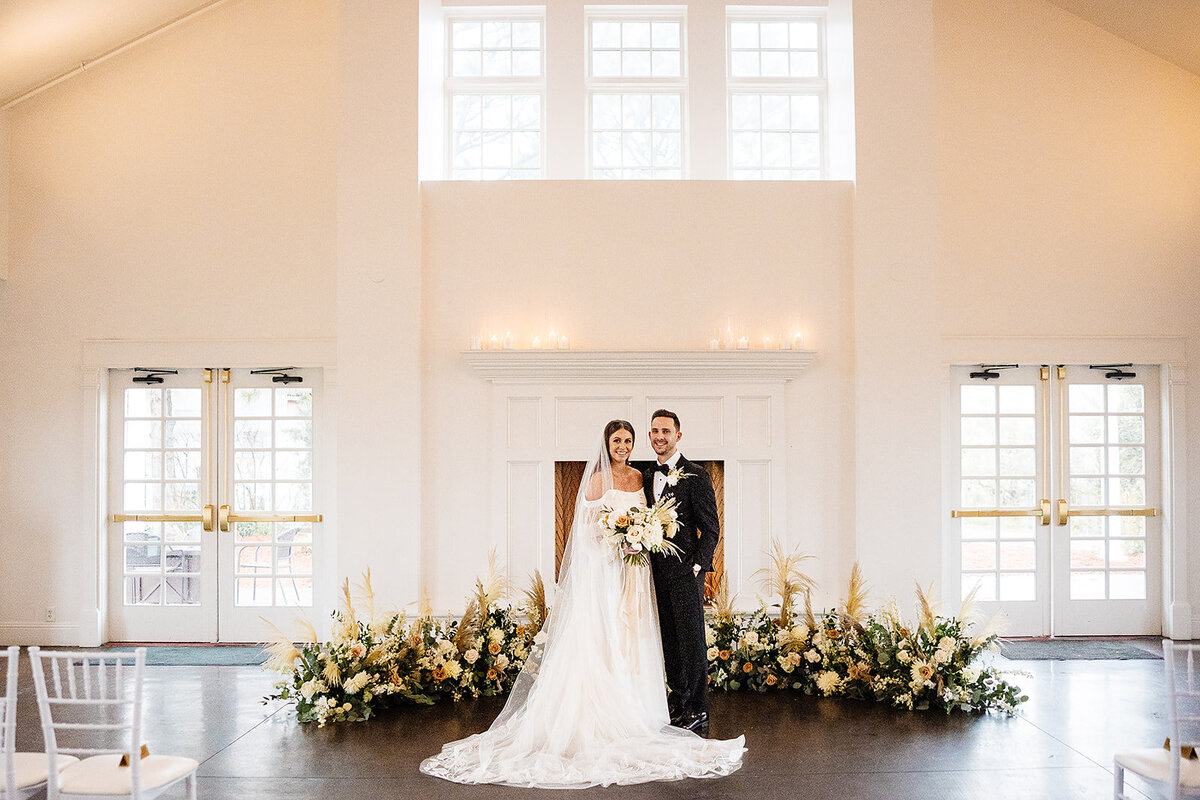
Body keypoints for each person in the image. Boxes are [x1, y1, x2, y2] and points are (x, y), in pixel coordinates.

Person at [420, 420, 745, 788]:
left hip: (647, 575)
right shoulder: (603, 480)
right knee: (635, 640)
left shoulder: (648, 477)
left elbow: (704, 527)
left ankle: (694, 710)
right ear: (606, 444)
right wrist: (619, 539)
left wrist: (673, 554)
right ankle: (656, 708)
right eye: (617, 440)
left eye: (629, 440)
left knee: (676, 640)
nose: (624, 445)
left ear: (675, 436)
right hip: (615, 573)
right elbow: (586, 533)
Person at [644, 409, 720, 734]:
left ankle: (698, 709)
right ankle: (678, 701)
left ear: (678, 435)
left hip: (687, 573)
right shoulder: (647, 475)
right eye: (655, 431)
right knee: (669, 642)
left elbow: (711, 529)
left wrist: (698, 567)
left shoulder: (696, 475)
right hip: (655, 573)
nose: (660, 437)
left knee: (692, 642)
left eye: (666, 431)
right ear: (650, 436)